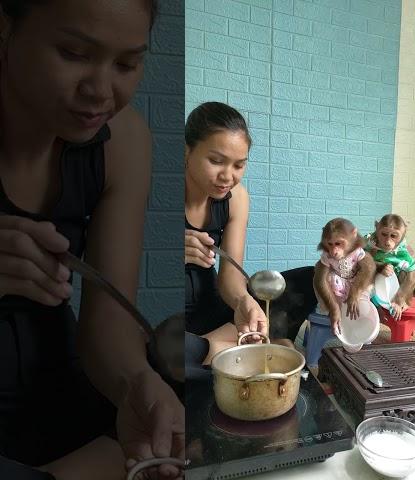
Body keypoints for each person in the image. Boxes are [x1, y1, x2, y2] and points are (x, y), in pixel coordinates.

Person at [0, 1, 183, 479]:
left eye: (127, 64)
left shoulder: (123, 142)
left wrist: (134, 384)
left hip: (59, 394)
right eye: (73, 53)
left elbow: (107, 325)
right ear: (5, 26)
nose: (101, 92)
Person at [184, 102, 298, 366]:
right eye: (216, 161)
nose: (228, 176)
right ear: (186, 150)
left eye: (239, 165)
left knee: (277, 309)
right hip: (167, 324)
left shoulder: (237, 199)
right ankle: (209, 352)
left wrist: (243, 301)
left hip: (209, 312)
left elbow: (230, 279)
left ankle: (209, 352)